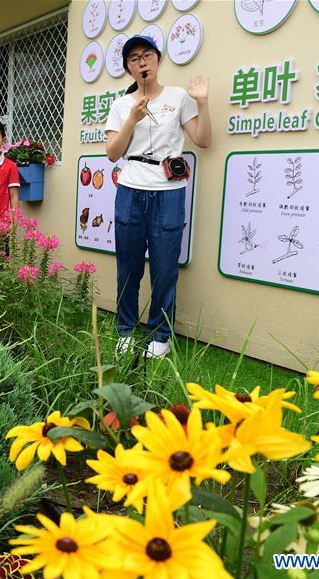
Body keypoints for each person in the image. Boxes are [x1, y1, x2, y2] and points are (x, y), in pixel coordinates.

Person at [105, 35, 211, 359]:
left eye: (147, 55)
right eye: (134, 59)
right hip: (131, 189)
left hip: (168, 192)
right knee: (129, 266)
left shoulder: (178, 97)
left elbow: (203, 139)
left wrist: (203, 102)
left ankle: (159, 334)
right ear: (128, 68)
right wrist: (132, 120)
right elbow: (112, 153)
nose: (142, 62)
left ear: (157, 59)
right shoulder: (122, 105)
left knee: (165, 268)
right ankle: (125, 330)